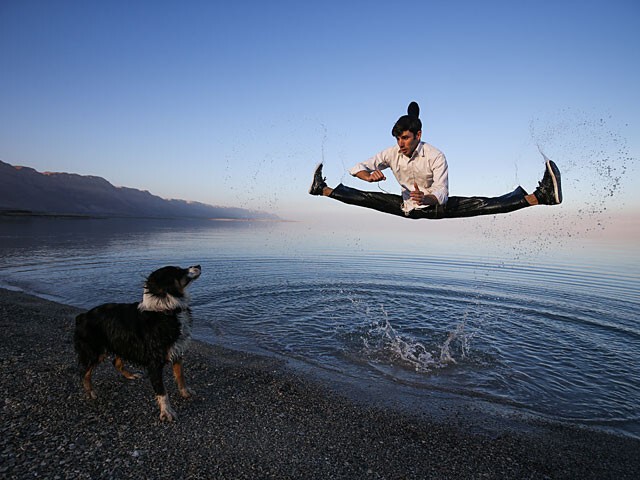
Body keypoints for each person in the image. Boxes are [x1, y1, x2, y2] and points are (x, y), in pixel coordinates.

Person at [308, 102, 562, 219]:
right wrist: (367, 176)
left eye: (405, 138)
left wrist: (428, 198)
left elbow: (442, 191)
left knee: (482, 204)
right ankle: (322, 189)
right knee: (364, 199)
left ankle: (541, 197)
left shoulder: (436, 156)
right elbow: (359, 167)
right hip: (406, 206)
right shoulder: (391, 153)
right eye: (398, 139)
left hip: (435, 207)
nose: (401, 144)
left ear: (418, 135)